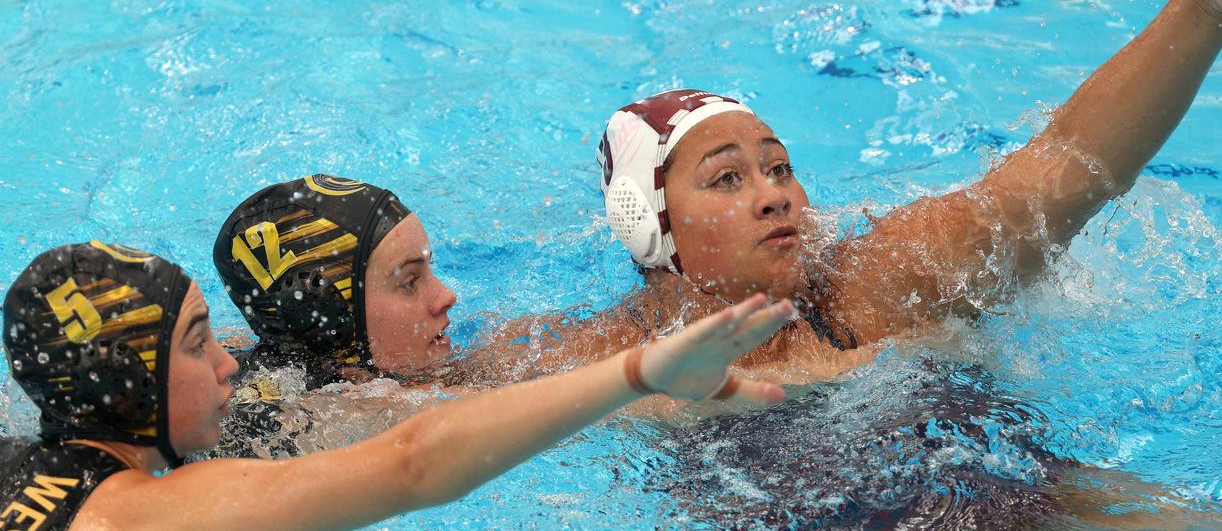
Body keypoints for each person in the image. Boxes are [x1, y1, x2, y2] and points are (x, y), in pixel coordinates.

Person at [451, 0, 1222, 386]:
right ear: (649, 225)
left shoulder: (873, 285)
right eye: (728, 178)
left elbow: (1065, 169)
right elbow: (399, 426)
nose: (774, 194)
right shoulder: (592, 360)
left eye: (778, 167)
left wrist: (1204, 8)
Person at [0, 240, 791, 530]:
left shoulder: (27, 462)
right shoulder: (135, 518)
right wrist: (640, 372)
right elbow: (412, 463)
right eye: (198, 344)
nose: (229, 365)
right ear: (127, 386)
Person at [212, 173, 457, 387]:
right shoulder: (279, 426)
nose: (447, 296)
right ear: (329, 323)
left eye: (429, 267)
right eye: (409, 282)